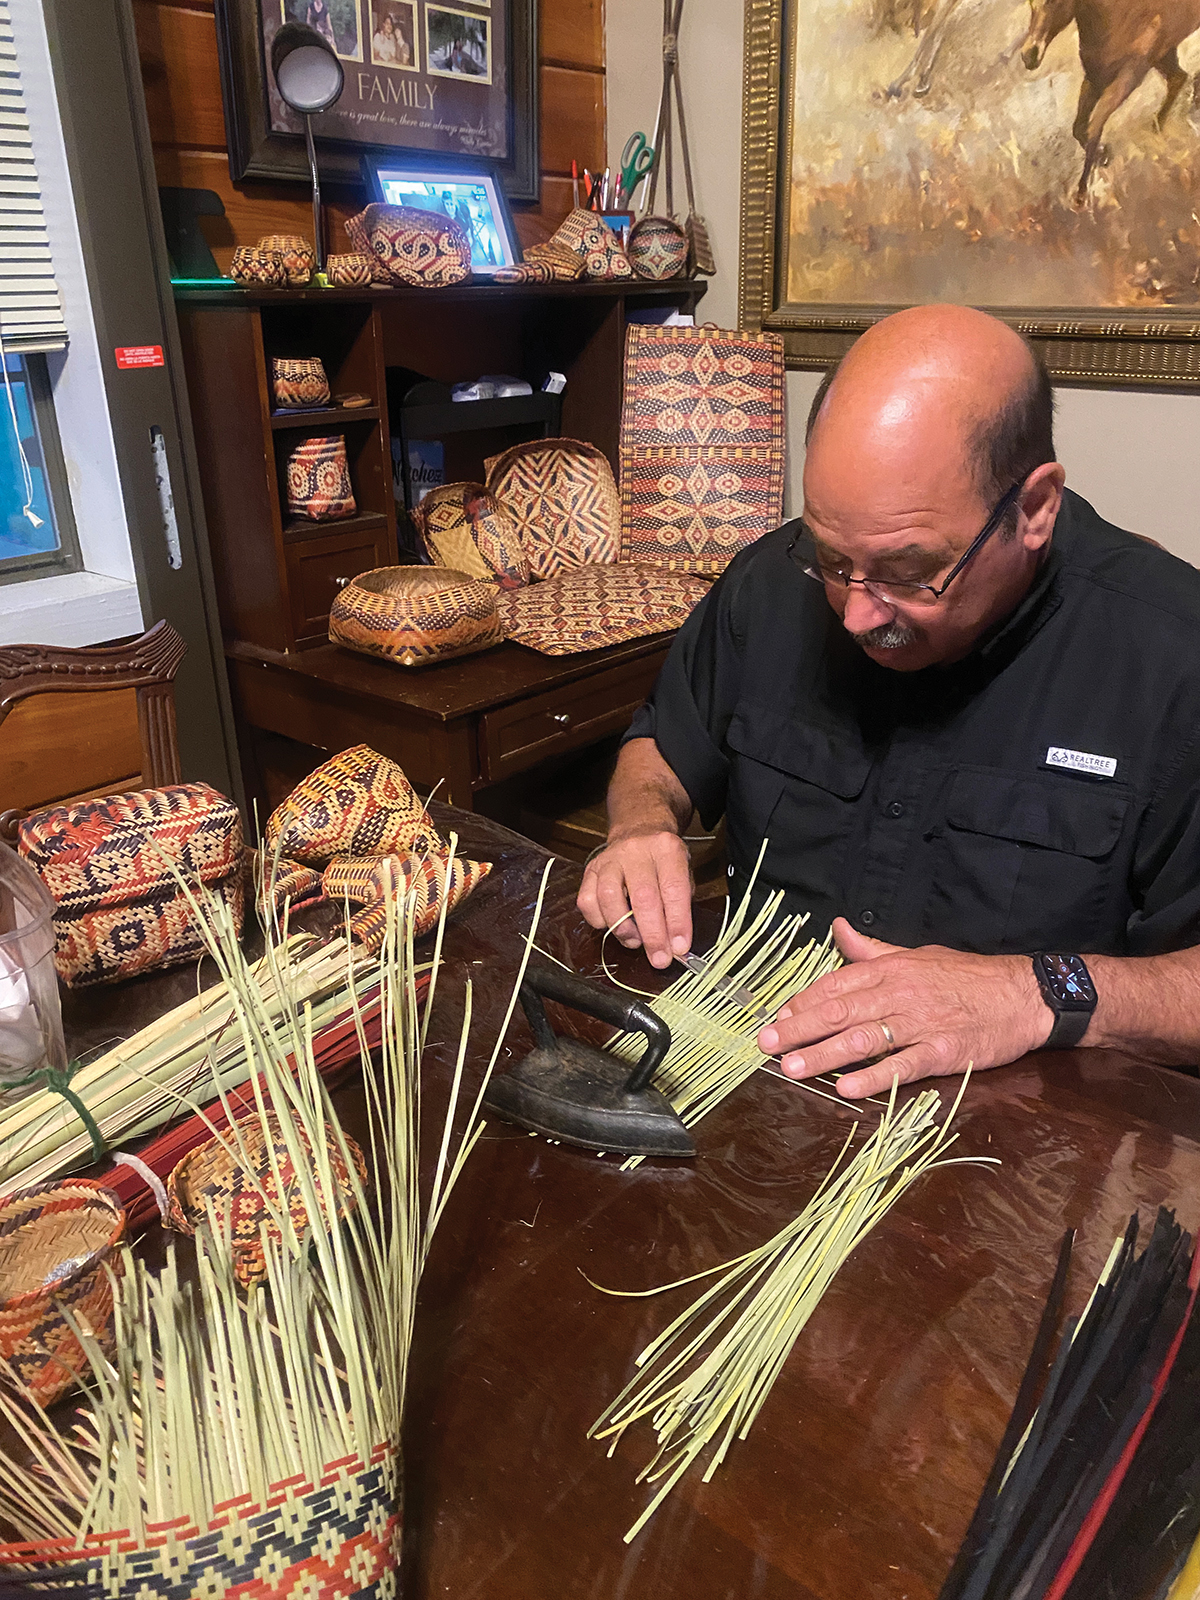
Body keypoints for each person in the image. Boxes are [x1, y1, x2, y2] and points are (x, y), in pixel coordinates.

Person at [577, 304, 1200, 1099]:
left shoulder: (1172, 659)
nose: (858, 613)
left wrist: (1034, 992)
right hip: (754, 1075)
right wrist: (639, 826)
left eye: (910, 572)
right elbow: (663, 743)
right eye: (833, 559)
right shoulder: (769, 583)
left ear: (1034, 507)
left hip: (1012, 1140)